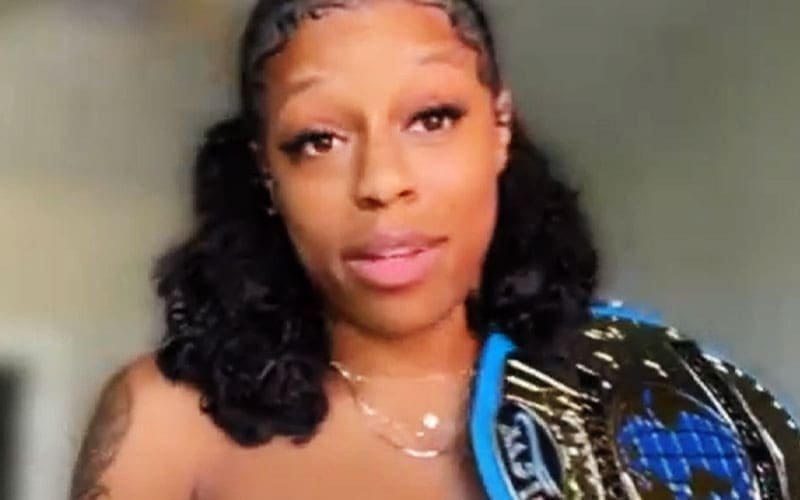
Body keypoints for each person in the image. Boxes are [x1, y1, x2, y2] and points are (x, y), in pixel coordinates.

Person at [69, 1, 799, 499]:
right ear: (267, 172)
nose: (381, 183)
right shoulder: (169, 421)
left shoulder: (644, 404)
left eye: (431, 118)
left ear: (499, 128)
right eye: (319, 140)